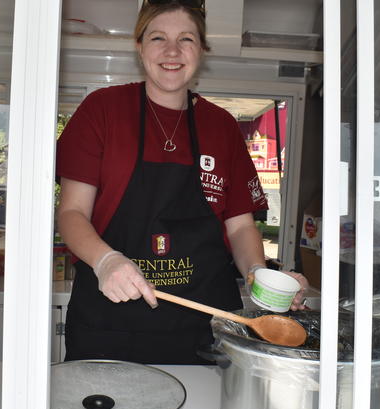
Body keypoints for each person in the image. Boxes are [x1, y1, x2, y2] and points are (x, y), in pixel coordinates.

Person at [55, 0, 307, 365]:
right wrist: (106, 260)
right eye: (158, 38)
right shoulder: (103, 110)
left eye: (186, 39)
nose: (172, 51)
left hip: (204, 328)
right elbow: (72, 212)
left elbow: (239, 226)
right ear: (139, 46)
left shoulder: (221, 126)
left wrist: (257, 273)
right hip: (110, 322)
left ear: (201, 50)